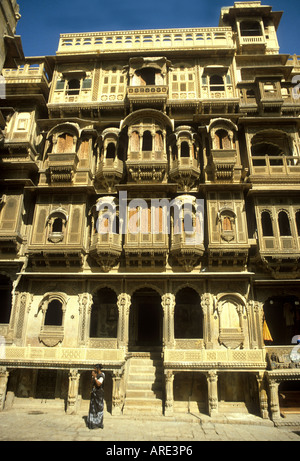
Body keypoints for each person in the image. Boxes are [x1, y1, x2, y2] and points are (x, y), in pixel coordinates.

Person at [87, 364, 105, 429]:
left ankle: (98, 423)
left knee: (98, 408)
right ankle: (92, 423)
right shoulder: (96, 375)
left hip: (99, 395)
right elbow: (92, 383)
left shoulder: (102, 375)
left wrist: (95, 377)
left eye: (95, 368)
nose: (94, 370)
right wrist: (93, 377)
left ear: (98, 369)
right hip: (94, 394)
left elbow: (99, 384)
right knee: (93, 408)